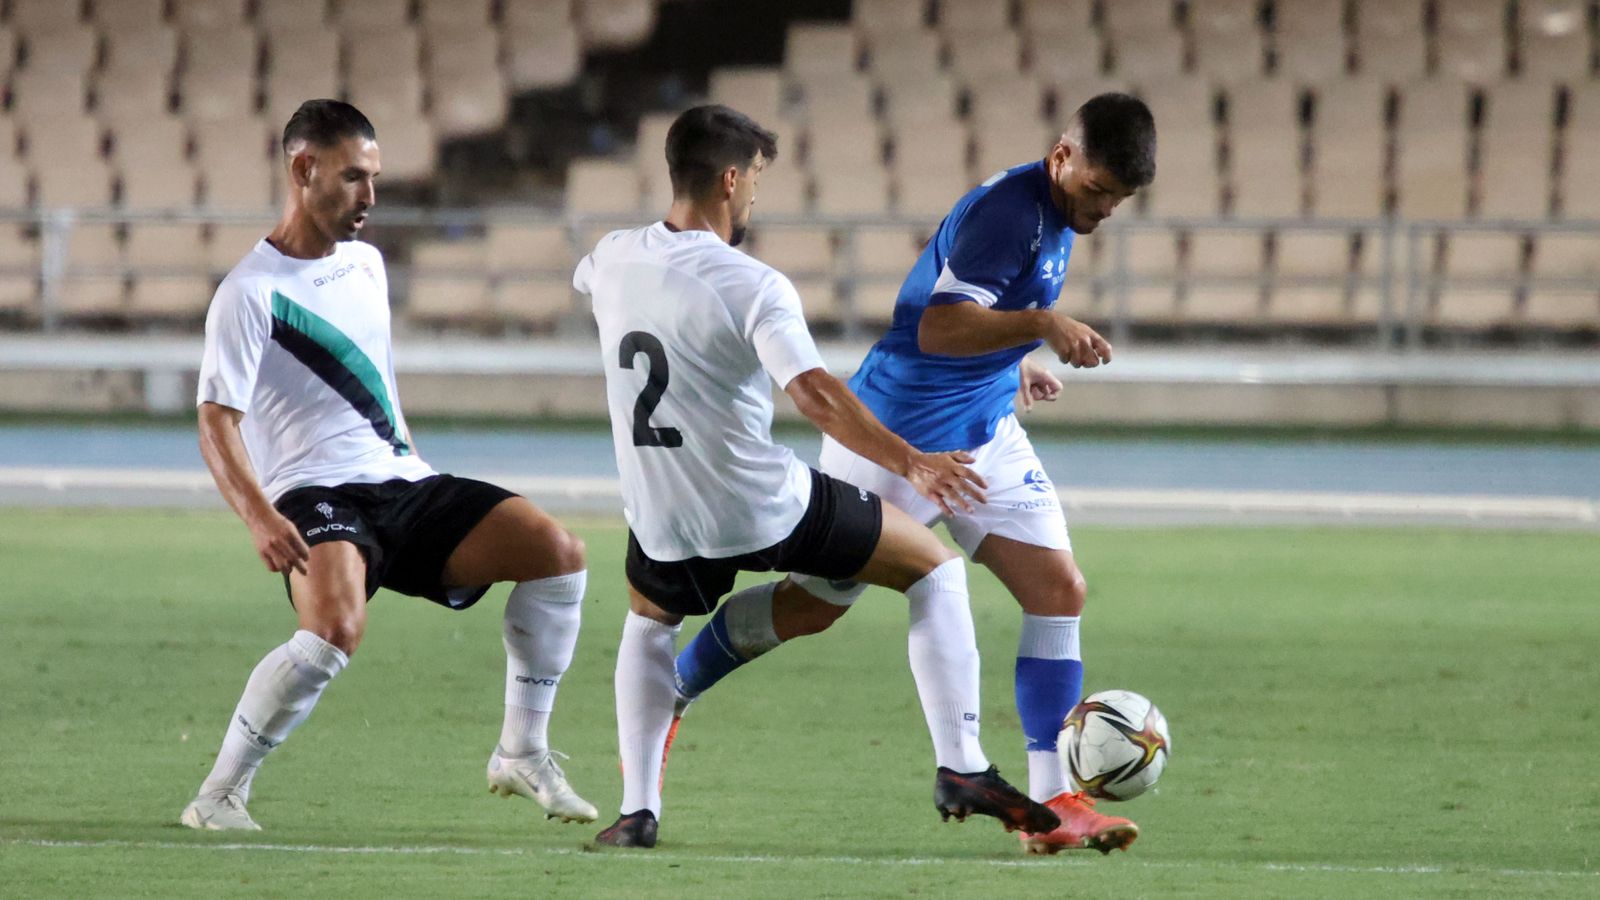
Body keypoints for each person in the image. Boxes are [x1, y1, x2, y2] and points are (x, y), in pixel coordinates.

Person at [573, 104, 1058, 849]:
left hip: (661, 505)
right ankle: (962, 765)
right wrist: (913, 463)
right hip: (761, 502)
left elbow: (605, 287)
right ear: (730, 180)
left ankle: (637, 812)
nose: (756, 199)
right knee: (934, 572)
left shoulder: (607, 258)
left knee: (648, 622)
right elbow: (815, 393)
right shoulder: (752, 283)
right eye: (756, 182)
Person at [180, 100, 596, 831]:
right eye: (352, 178)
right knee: (334, 631)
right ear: (303, 169)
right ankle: (218, 794)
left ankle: (522, 750)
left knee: (558, 556)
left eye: (374, 178)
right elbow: (216, 420)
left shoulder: (366, 264)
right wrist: (258, 515)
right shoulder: (248, 295)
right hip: (313, 494)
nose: (370, 197)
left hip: (405, 481)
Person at [803, 92, 1158, 855]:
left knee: (1059, 590)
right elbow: (936, 325)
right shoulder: (1011, 212)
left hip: (983, 432)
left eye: (1118, 200)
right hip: (897, 438)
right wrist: (1040, 326)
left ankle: (1051, 808)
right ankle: (675, 688)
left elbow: (982, 313)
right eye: (1097, 190)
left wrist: (1013, 361)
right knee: (813, 606)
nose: (1103, 210)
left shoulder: (1056, 216)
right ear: (1062, 158)